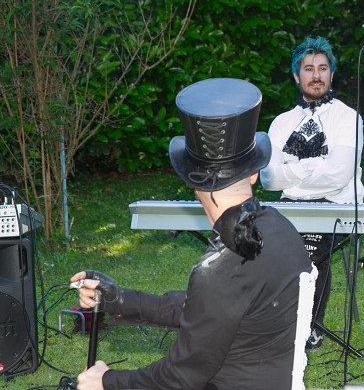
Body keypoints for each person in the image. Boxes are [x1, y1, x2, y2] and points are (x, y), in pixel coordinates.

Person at [71, 78, 316, 390]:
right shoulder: (280, 228)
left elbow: (180, 377)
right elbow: (205, 309)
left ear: (192, 182)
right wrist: (120, 300)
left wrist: (107, 381)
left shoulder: (222, 268)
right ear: (254, 173)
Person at [260, 36, 364, 350]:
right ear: (297, 76)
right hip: (290, 206)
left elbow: (338, 176)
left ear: (331, 73)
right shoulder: (281, 123)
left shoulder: (348, 119)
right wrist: (316, 165)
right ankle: (267, 324)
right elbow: (268, 178)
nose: (316, 75)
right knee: (255, 247)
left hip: (337, 206)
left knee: (308, 249)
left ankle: (308, 328)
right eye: (308, 69)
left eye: (322, 68)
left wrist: (292, 173)